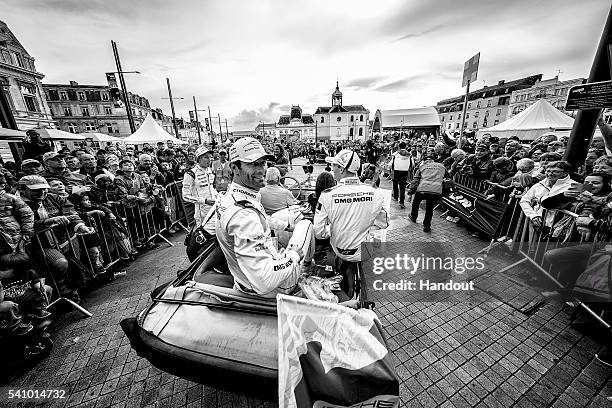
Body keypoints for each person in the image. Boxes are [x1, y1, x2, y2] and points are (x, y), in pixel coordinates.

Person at [216, 137, 314, 298]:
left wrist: (286, 227)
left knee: (293, 228)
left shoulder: (232, 197)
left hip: (243, 281)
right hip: (274, 288)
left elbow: (260, 217)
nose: (261, 169)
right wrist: (293, 256)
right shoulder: (244, 215)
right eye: (253, 164)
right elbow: (264, 281)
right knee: (305, 224)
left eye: (263, 163)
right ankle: (308, 266)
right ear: (235, 168)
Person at [314, 149, 388, 297]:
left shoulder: (327, 195)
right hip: (364, 250)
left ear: (341, 169)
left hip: (340, 249)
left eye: (333, 165)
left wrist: (334, 229)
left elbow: (319, 232)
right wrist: (363, 225)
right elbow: (383, 223)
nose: (331, 168)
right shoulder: (376, 192)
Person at [519, 161, 575, 229]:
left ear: (565, 173)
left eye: (555, 171)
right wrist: (533, 215)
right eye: (548, 171)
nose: (550, 174)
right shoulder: (539, 185)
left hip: (559, 227)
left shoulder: (573, 186)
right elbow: (524, 201)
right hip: (538, 224)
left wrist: (542, 199)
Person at [407, 151, 447, 232]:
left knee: (416, 203)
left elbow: (415, 181)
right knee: (430, 208)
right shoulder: (442, 166)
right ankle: (426, 226)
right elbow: (448, 177)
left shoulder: (422, 167)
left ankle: (413, 216)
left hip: (422, 189)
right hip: (435, 190)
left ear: (424, 160)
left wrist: (410, 193)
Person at [182, 146, 217, 227]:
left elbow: (211, 188)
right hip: (202, 213)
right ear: (199, 159)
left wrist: (218, 195)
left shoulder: (209, 170)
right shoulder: (190, 174)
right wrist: (204, 201)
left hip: (214, 209)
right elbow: (185, 196)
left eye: (210, 157)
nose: (209, 160)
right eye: (206, 157)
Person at [390, 142, 413, 209]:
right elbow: (412, 164)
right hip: (405, 171)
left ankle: (395, 197)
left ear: (399, 147)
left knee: (395, 183)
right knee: (402, 187)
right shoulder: (409, 154)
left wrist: (391, 169)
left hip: (396, 170)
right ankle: (402, 202)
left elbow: (391, 163)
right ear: (405, 147)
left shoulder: (395, 154)